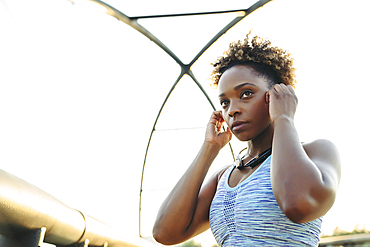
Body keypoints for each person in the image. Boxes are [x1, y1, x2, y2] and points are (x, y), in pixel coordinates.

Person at [152, 33, 341, 246]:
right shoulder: (222, 178)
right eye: (224, 102)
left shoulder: (317, 151)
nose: (232, 110)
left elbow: (297, 204)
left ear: (278, 94)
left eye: (246, 94)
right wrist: (209, 149)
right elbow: (165, 232)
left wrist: (284, 118)